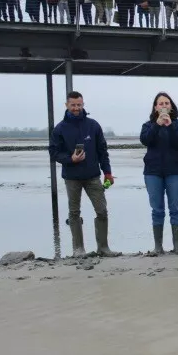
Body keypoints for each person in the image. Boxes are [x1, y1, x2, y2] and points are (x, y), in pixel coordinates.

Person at [49, 91, 117, 258]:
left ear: (83, 104)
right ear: (66, 105)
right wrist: (70, 158)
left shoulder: (93, 125)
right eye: (73, 105)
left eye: (79, 105)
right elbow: (54, 153)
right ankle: (78, 249)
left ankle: (103, 247)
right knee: (74, 212)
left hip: (93, 176)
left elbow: (103, 151)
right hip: (72, 177)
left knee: (102, 211)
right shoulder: (59, 129)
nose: (76, 108)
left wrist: (107, 172)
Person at [138, 92, 178, 254]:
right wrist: (157, 125)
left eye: (167, 103)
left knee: (175, 208)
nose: (164, 106)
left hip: (175, 171)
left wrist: (170, 126)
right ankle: (158, 246)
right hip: (153, 172)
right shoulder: (148, 125)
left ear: (171, 107)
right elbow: (145, 140)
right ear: (155, 108)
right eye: (161, 104)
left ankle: (177, 244)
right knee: (157, 209)